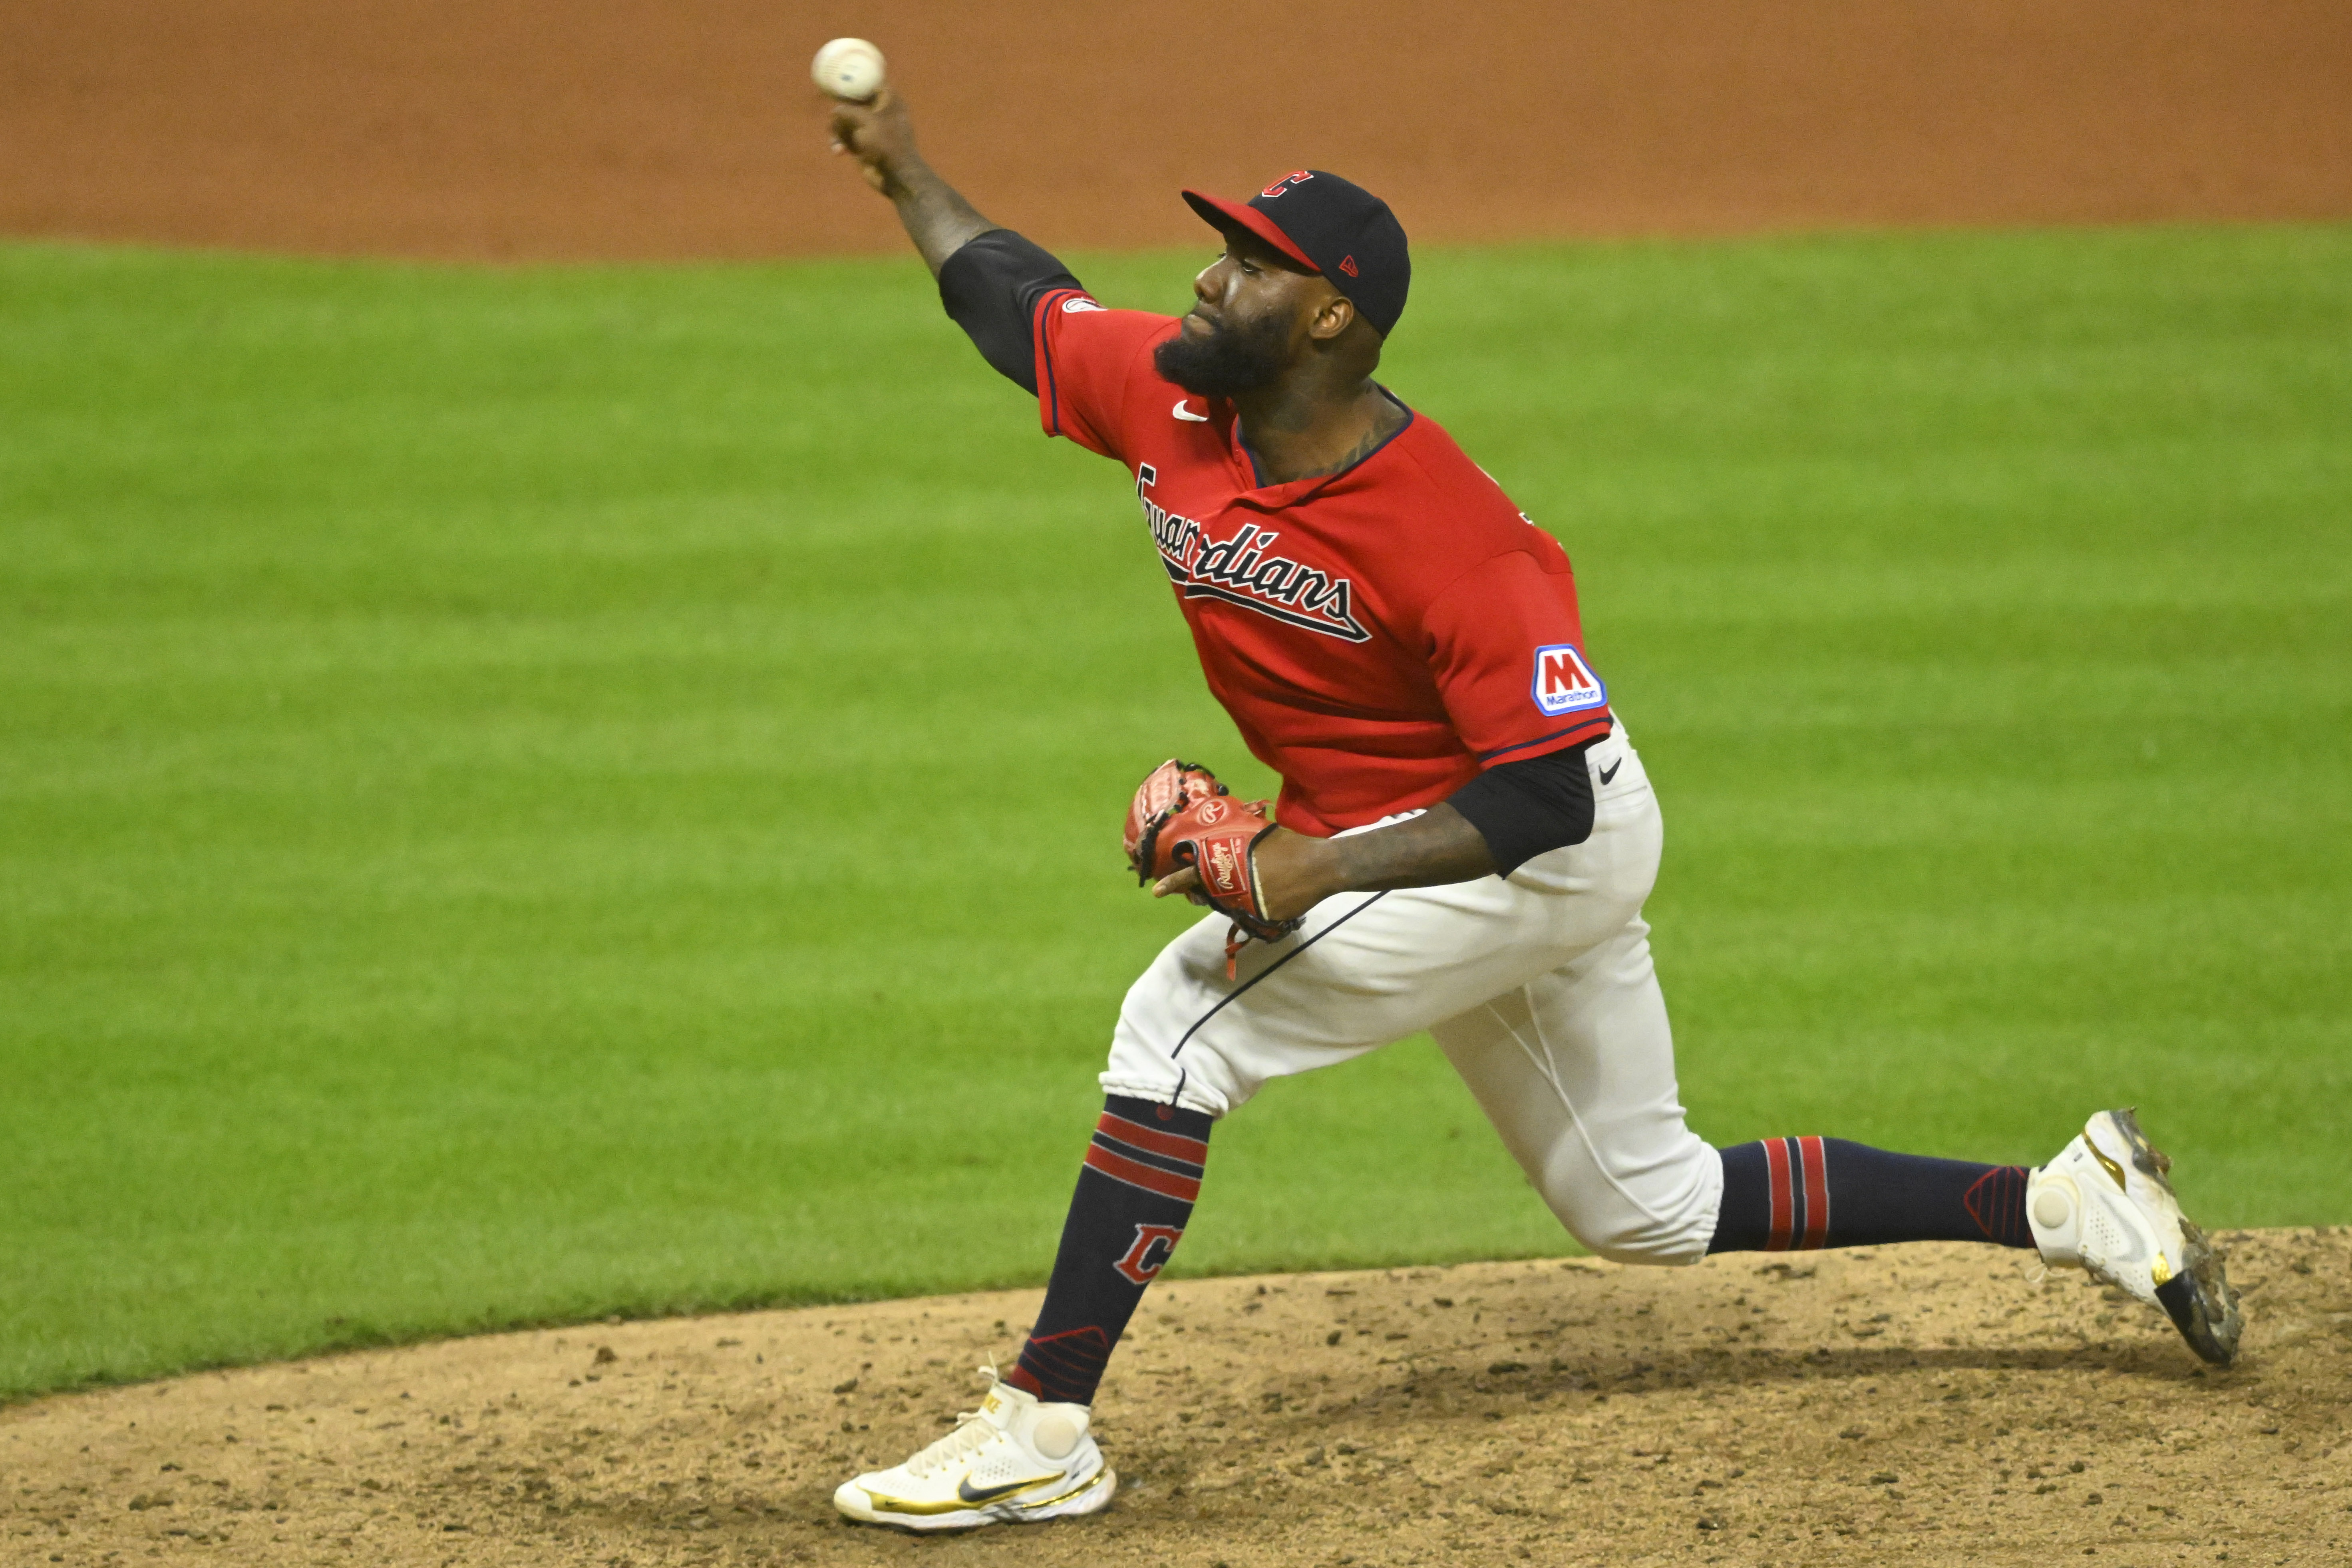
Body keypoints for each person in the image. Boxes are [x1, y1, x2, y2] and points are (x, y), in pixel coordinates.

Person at [817, 89, 2242, 1532]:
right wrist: (904, 173)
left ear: (1329, 322)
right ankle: (2068, 1201)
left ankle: (1044, 1424)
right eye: (1222, 250)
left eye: (1251, 264)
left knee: (1174, 1033)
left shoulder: (1457, 540)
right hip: (1459, 838)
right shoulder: (1177, 398)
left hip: (1522, 837)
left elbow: (1544, 795)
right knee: (1646, 1203)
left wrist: (1307, 869)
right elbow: (1020, 305)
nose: (1207, 278)